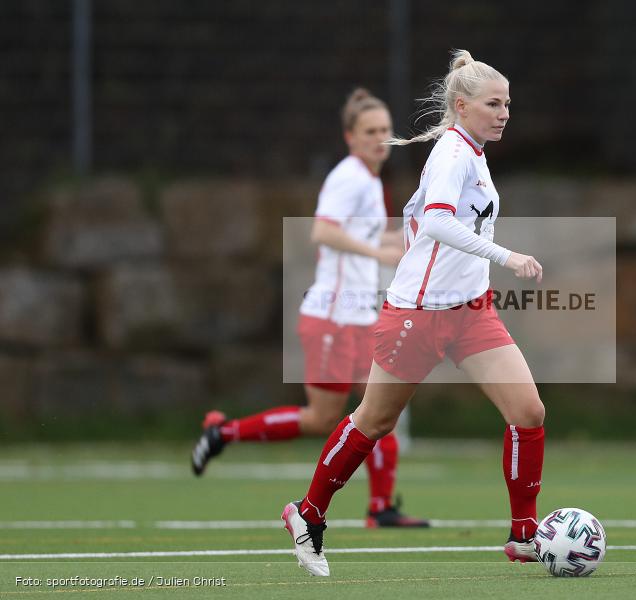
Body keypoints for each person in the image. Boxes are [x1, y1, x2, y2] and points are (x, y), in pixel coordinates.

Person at [281, 50, 545, 577]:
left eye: (508, 103)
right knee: (373, 421)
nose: (504, 113)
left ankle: (526, 535)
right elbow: (437, 224)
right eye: (494, 104)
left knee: (529, 413)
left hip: (472, 312)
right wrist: (507, 256)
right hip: (418, 315)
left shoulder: (473, 152)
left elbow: (426, 220)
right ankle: (307, 514)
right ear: (462, 105)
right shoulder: (452, 154)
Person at [190, 88, 428, 529]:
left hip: (360, 316)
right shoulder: (349, 177)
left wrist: (424, 239)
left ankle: (381, 508)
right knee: (323, 418)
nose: (380, 138)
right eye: (370, 131)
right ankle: (223, 432)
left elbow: (373, 240)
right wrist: (380, 254)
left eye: (384, 130)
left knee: (381, 406)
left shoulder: (371, 183)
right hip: (333, 317)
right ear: (350, 136)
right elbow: (323, 233)